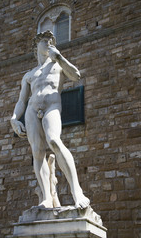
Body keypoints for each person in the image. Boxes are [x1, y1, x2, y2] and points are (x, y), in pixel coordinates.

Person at [11, 30, 90, 209]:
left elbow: (76, 75)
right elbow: (21, 100)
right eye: (44, 40)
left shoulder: (58, 64)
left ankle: (76, 191)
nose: (49, 43)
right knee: (37, 152)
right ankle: (47, 197)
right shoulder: (29, 74)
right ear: (36, 46)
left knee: (54, 141)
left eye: (51, 40)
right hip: (32, 110)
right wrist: (14, 119)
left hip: (52, 106)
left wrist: (60, 57)